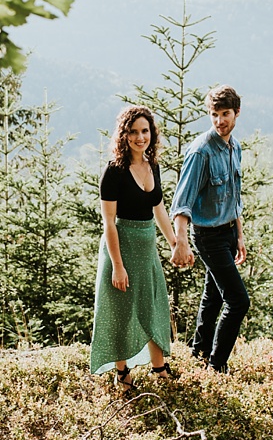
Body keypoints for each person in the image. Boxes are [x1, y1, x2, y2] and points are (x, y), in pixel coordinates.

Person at [90, 104, 178, 388]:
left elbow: (160, 210)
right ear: (123, 135)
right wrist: (117, 265)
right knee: (121, 310)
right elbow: (109, 223)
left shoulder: (153, 166)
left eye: (145, 131)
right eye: (133, 132)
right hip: (121, 249)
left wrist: (175, 243)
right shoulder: (113, 172)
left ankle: (159, 368)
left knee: (153, 305)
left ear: (152, 133)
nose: (140, 137)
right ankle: (122, 373)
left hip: (146, 249)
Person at [171, 88, 249, 373]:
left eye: (225, 114)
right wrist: (181, 242)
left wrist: (239, 234)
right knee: (238, 301)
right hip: (207, 236)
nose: (219, 121)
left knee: (214, 297)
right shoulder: (201, 151)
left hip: (228, 233)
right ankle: (217, 367)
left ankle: (199, 353)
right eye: (214, 115)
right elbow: (182, 202)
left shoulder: (235, 147)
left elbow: (235, 196)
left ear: (237, 113)